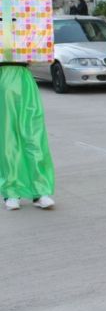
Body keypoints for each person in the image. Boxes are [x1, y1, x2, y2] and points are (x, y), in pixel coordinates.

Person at [0, 63, 55, 210]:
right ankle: (11, 192)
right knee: (8, 139)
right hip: (3, 76)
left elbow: (42, 58)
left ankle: (40, 191)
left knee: (34, 135)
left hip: (24, 78)